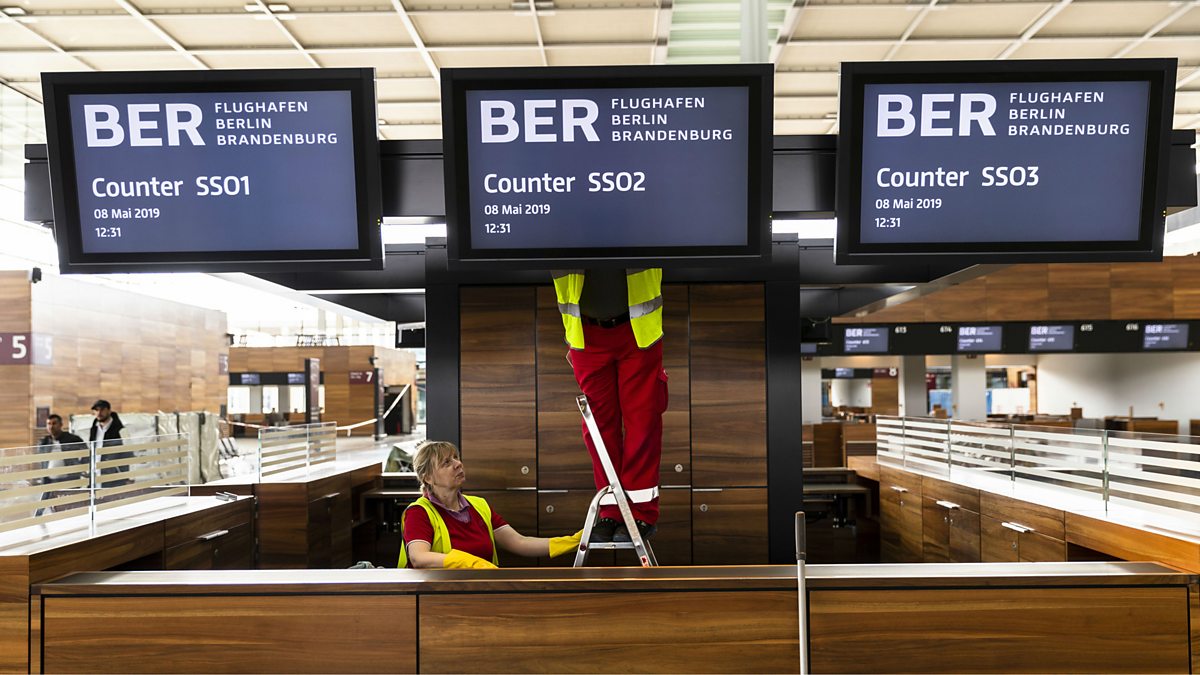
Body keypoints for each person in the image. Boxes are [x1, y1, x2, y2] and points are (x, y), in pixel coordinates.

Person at [552, 268, 667, 543]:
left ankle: (641, 513)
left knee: (642, 422)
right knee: (597, 428)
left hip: (638, 332)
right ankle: (611, 510)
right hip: (585, 334)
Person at [399, 440, 582, 569]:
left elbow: (519, 542)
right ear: (428, 478)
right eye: (447, 462)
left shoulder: (479, 506)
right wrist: (468, 562)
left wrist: (573, 542)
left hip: (483, 592)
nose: (458, 464)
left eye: (456, 457)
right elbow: (419, 557)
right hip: (437, 599)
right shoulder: (419, 512)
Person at [35, 414, 88, 515]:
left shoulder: (72, 439)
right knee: (44, 508)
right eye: (49, 424)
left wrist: (80, 467)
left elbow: (87, 453)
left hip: (69, 480)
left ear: (60, 425)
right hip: (49, 481)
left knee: (69, 507)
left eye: (54, 423)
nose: (51, 426)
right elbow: (40, 460)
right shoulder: (44, 441)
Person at [89, 400, 132, 487]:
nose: (99, 413)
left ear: (109, 411)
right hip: (96, 473)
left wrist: (126, 476)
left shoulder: (121, 430)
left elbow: (128, 453)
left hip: (114, 476)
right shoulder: (94, 429)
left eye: (102, 409)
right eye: (96, 410)